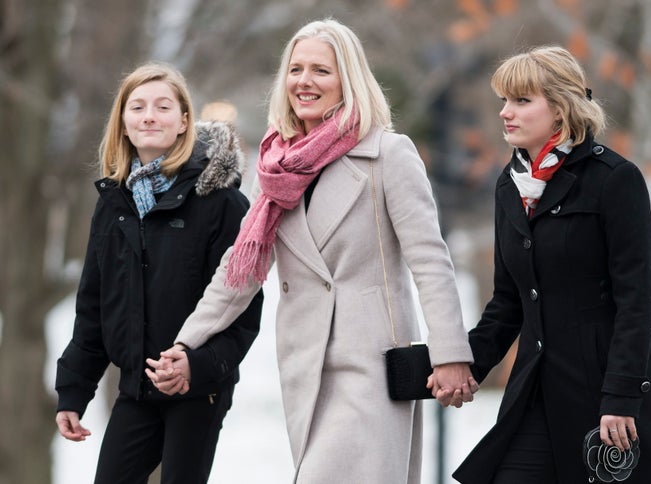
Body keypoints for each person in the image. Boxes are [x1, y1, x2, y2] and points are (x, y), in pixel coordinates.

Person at [146, 18, 477, 484]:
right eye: (296, 69)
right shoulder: (276, 167)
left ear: (349, 80)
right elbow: (238, 272)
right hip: (307, 367)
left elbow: (430, 261)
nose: (305, 81)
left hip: (372, 366)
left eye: (321, 70)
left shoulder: (388, 155)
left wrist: (449, 353)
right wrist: (187, 342)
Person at [443, 46, 651, 484]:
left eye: (522, 101)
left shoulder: (615, 179)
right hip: (535, 391)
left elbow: (635, 302)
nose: (505, 113)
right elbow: (508, 303)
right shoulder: (509, 186)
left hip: (606, 396)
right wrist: (464, 365)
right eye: (503, 100)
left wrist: (620, 396)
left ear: (561, 110)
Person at [54, 62, 264, 484]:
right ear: (124, 124)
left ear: (184, 121)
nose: (149, 115)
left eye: (163, 106)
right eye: (138, 107)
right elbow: (93, 306)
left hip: (198, 389)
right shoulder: (113, 204)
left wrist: (197, 367)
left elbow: (243, 307)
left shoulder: (221, 202)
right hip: (134, 389)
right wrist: (74, 392)